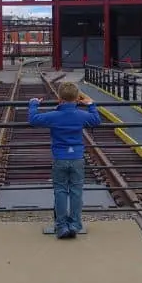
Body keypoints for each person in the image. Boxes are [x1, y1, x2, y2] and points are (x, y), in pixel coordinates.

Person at [28, 82, 101, 239]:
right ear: (77, 98)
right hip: (77, 158)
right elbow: (96, 120)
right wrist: (90, 104)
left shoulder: (54, 116)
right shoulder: (81, 115)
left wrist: (34, 104)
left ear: (59, 98)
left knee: (60, 191)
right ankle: (75, 224)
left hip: (60, 158)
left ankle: (61, 226)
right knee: (76, 191)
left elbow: (33, 119)